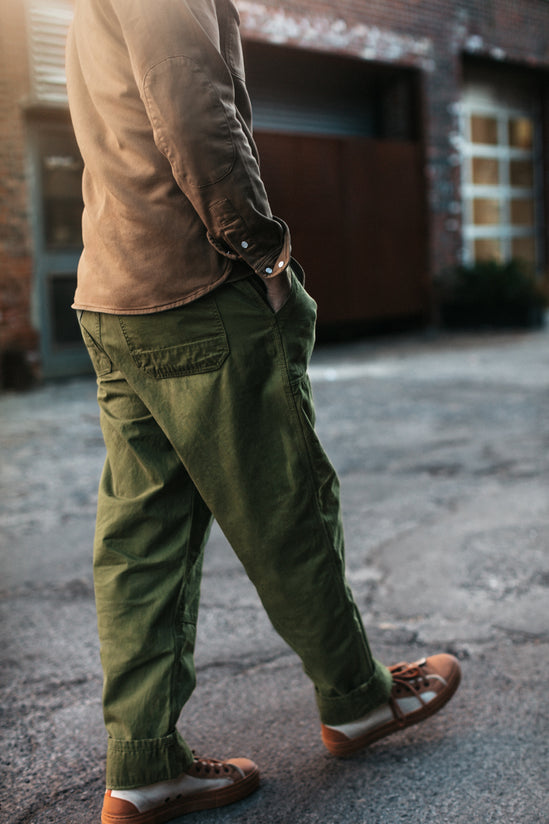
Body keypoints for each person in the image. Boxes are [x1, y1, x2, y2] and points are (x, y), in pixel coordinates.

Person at [66, 1, 461, 822]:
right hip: (196, 288)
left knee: (142, 542)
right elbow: (191, 106)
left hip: (114, 289)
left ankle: (143, 766)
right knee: (284, 503)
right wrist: (262, 251)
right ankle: (356, 698)